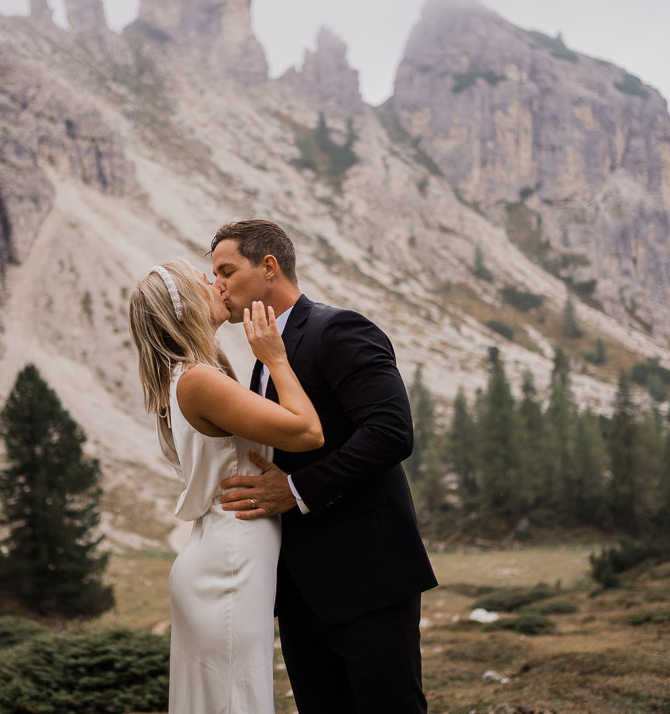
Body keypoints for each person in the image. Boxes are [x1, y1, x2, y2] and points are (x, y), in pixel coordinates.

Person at [212, 220, 438, 714]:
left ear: (269, 267)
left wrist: (294, 491)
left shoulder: (338, 329)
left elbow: (390, 433)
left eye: (227, 270)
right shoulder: (261, 356)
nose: (218, 285)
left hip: (368, 575)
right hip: (299, 592)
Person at [128, 258, 325, 714]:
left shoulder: (193, 372)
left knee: (232, 696)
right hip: (229, 562)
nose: (216, 284)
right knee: (235, 700)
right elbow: (307, 431)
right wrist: (275, 357)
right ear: (184, 307)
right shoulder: (198, 380)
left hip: (227, 552)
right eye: (203, 280)